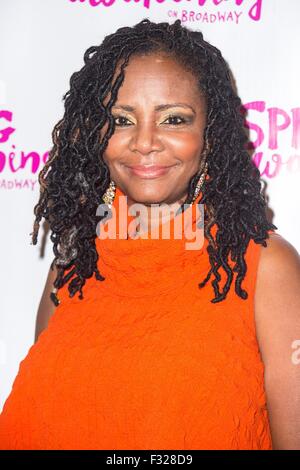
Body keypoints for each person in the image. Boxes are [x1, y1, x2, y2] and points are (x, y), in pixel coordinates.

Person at [0, 18, 299, 450]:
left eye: (174, 119)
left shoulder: (264, 267)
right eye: (121, 120)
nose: (144, 142)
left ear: (210, 135)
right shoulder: (75, 263)